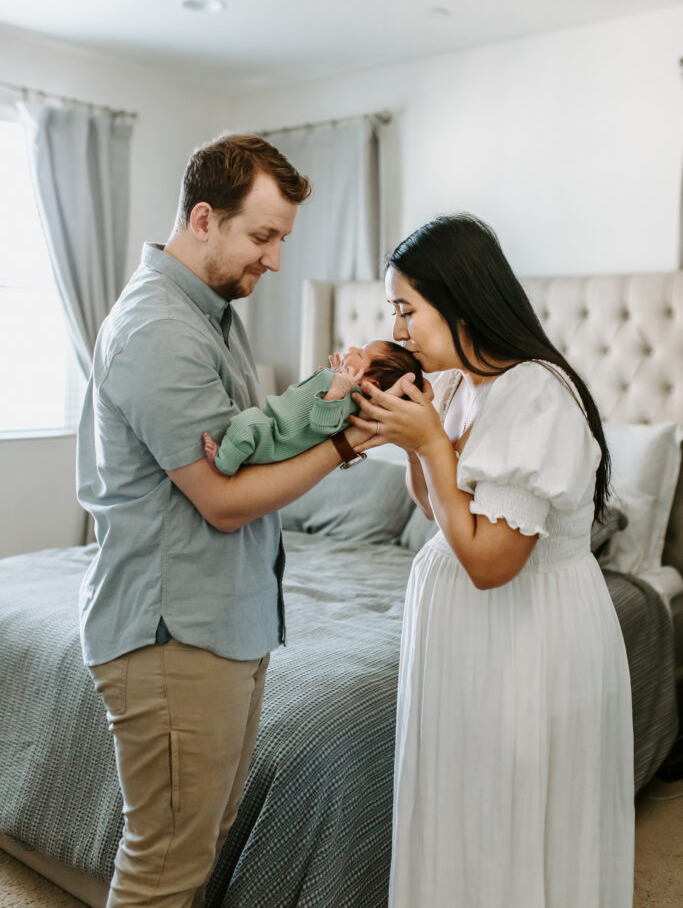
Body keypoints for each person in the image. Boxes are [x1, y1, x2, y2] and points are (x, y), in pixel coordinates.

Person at [76, 133, 381, 908]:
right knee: (165, 866)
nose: (274, 260)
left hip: (222, 623)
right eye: (263, 236)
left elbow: (249, 451)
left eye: (281, 238)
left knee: (193, 844)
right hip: (172, 633)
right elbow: (221, 500)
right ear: (203, 219)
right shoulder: (160, 330)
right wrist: (347, 442)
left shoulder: (208, 313)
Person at [348, 214, 634, 908]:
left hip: (526, 637)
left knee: (511, 809)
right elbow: (438, 514)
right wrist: (416, 432)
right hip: (470, 639)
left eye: (406, 308)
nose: (400, 327)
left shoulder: (536, 393)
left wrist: (433, 446)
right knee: (464, 804)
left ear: (459, 300)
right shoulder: (455, 385)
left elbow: (488, 561)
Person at [202, 340, 423, 475]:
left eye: (360, 354)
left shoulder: (349, 400)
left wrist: (336, 391)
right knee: (244, 421)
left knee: (246, 423)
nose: (353, 348)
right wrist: (331, 375)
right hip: (273, 423)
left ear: (371, 384)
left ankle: (224, 465)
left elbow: (321, 425)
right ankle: (233, 456)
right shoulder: (344, 385)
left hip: (279, 438)